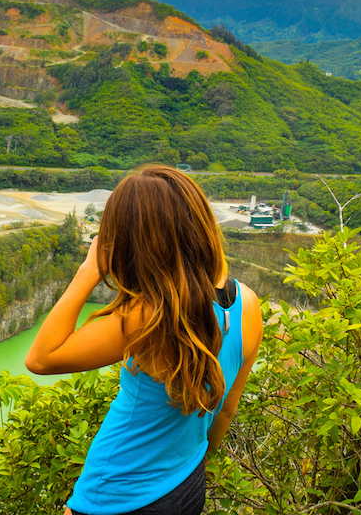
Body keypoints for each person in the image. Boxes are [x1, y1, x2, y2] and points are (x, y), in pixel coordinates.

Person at [25, 165, 263, 515]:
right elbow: (225, 410)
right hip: (188, 483)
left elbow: (41, 358)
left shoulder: (148, 315)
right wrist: (192, 463)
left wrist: (89, 271)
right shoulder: (248, 305)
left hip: (117, 493)